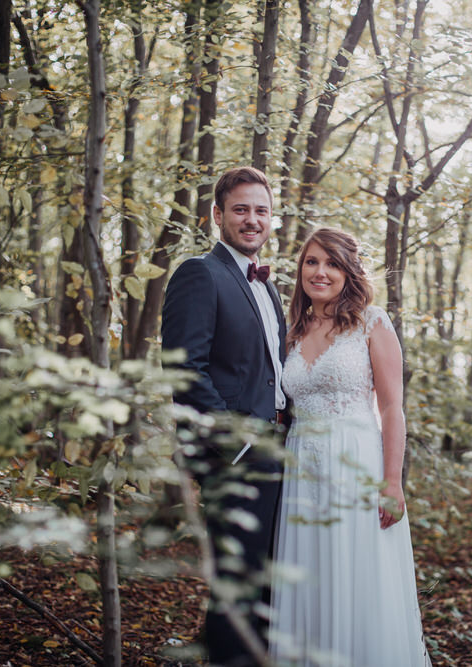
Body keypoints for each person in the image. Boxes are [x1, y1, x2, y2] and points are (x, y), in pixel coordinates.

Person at [269, 227, 431, 666]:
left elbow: (393, 407)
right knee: (310, 579)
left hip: (357, 464)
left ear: (349, 271)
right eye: (312, 262)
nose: (320, 272)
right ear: (301, 268)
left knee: (358, 578)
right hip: (301, 469)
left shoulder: (371, 322)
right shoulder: (291, 329)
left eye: (332, 263)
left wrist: (392, 482)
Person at [161, 166, 287, 667]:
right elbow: (183, 369)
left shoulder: (267, 286)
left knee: (266, 578)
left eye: (260, 210)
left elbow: (269, 374)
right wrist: (238, 443)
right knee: (237, 584)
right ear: (217, 215)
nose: (251, 219)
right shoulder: (199, 273)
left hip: (278, 451)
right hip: (234, 456)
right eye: (240, 209)